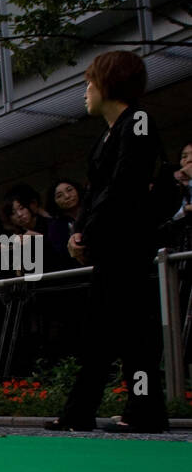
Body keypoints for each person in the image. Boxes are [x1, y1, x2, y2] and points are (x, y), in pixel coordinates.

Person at [47, 51, 170, 433]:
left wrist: (89, 231)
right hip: (113, 246)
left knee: (119, 334)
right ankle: (137, 408)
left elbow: (124, 184)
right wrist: (80, 231)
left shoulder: (138, 122)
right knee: (121, 334)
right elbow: (98, 189)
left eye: (90, 83)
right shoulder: (109, 134)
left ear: (108, 84)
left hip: (129, 245)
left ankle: (105, 410)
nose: (85, 91)